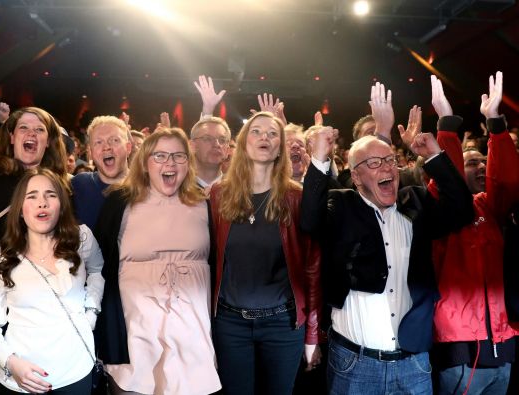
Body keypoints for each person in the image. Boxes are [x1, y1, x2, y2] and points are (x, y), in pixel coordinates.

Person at [300, 104, 475, 393]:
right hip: (354, 365)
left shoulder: (415, 201)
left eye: (390, 160)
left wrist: (434, 156)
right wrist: (319, 158)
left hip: (414, 364)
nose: (386, 168)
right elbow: (309, 221)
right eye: (373, 163)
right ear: (355, 177)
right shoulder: (341, 204)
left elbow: (462, 212)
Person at [94, 127, 221, 395]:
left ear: (189, 162)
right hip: (135, 331)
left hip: (191, 332)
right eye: (160, 156)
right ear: (145, 162)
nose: (170, 163)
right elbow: (98, 265)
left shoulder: (206, 204)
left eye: (178, 156)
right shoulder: (120, 202)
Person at [209, 111, 322, 395]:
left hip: (282, 325)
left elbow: (312, 268)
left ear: (280, 146)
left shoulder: (296, 197)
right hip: (230, 323)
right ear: (243, 142)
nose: (264, 137)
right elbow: (209, 260)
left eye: (273, 133)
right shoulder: (219, 194)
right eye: (256, 131)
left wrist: (311, 333)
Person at [429, 73, 519, 394]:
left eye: (483, 160)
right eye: (470, 163)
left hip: (503, 338)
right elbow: (445, 179)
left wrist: (495, 121)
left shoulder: (489, 208)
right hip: (460, 343)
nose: (480, 167)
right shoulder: (438, 210)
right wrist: (446, 124)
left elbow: (506, 181)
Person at [0, 168, 104, 394]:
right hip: (22, 381)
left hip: (77, 371)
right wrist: (10, 363)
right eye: (31, 196)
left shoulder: (81, 238)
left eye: (51, 195)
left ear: (61, 205)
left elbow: (97, 270)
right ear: (21, 210)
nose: (42, 203)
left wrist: (91, 311)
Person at [0, 106, 68, 283]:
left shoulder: (61, 187)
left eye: (39, 129)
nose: (31, 133)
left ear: (48, 141)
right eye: (23, 127)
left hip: (33, 290)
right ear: (11, 137)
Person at [72, 115, 132, 231]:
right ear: (91, 152)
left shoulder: (147, 187)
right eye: (98, 142)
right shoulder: (79, 184)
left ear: (128, 148)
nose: (106, 147)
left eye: (114, 140)